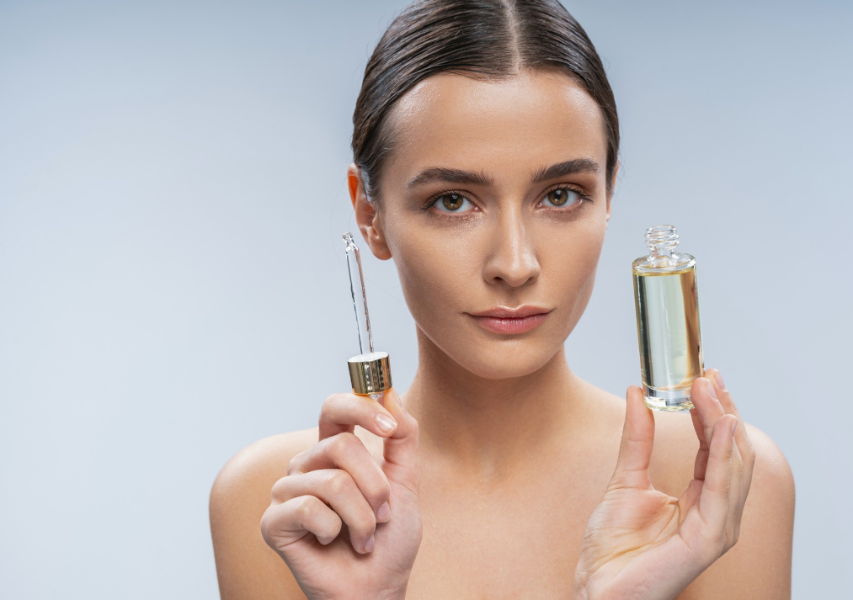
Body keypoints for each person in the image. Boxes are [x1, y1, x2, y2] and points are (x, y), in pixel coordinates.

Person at [209, 1, 794, 598]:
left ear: (610, 192)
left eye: (561, 195)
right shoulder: (286, 507)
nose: (515, 265)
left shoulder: (715, 487)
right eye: (453, 201)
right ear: (370, 214)